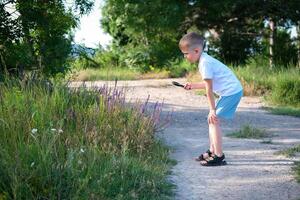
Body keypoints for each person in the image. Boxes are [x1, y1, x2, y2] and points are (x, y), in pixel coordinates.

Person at [179, 32, 243, 166]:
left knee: (213, 120)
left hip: (231, 92)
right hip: (229, 92)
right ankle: (212, 151)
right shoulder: (204, 59)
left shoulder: (205, 63)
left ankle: (219, 156)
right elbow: (210, 84)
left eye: (186, 53)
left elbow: (209, 90)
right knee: (212, 121)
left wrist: (212, 109)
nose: (184, 56)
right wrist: (193, 85)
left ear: (196, 50)